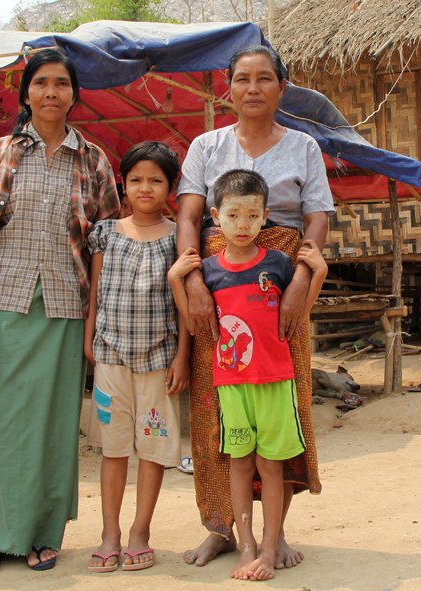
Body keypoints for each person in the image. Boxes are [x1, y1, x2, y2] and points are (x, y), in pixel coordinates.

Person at [176, 45, 335, 568]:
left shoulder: (304, 147)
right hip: (219, 286)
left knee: (282, 407)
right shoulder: (206, 145)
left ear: (281, 86)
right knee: (214, 411)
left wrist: (300, 282)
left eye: (265, 79)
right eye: (242, 79)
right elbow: (189, 217)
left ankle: (276, 536)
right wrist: (195, 278)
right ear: (228, 87)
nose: (253, 88)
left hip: (280, 282)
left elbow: (316, 219)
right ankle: (221, 527)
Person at [0, 49, 119, 574]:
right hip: (1, 303)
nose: (51, 92)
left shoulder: (94, 160)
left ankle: (42, 533)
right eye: (41, 83)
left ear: (74, 94)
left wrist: (96, 322)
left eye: (61, 83)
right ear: (26, 93)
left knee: (54, 426)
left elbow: (107, 244)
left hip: (65, 305)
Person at [170, 170, 327, 580]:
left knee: (271, 467)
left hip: (276, 382)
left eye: (253, 216)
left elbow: (298, 316)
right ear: (216, 216)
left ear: (265, 217)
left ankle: (271, 545)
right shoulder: (206, 270)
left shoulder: (278, 263)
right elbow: (193, 324)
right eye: (234, 215)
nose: (243, 225)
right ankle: (246, 546)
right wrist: (176, 280)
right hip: (231, 387)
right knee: (239, 464)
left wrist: (319, 274)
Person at [83, 141, 190, 574]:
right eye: (136, 180)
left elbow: (184, 304)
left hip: (161, 361)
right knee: (112, 451)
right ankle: (109, 533)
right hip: (109, 358)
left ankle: (139, 532)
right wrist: (89, 341)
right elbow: (94, 293)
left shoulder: (177, 240)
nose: (145, 188)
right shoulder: (106, 233)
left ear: (171, 187)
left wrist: (183, 356)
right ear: (122, 184)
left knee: (152, 450)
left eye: (156, 180)